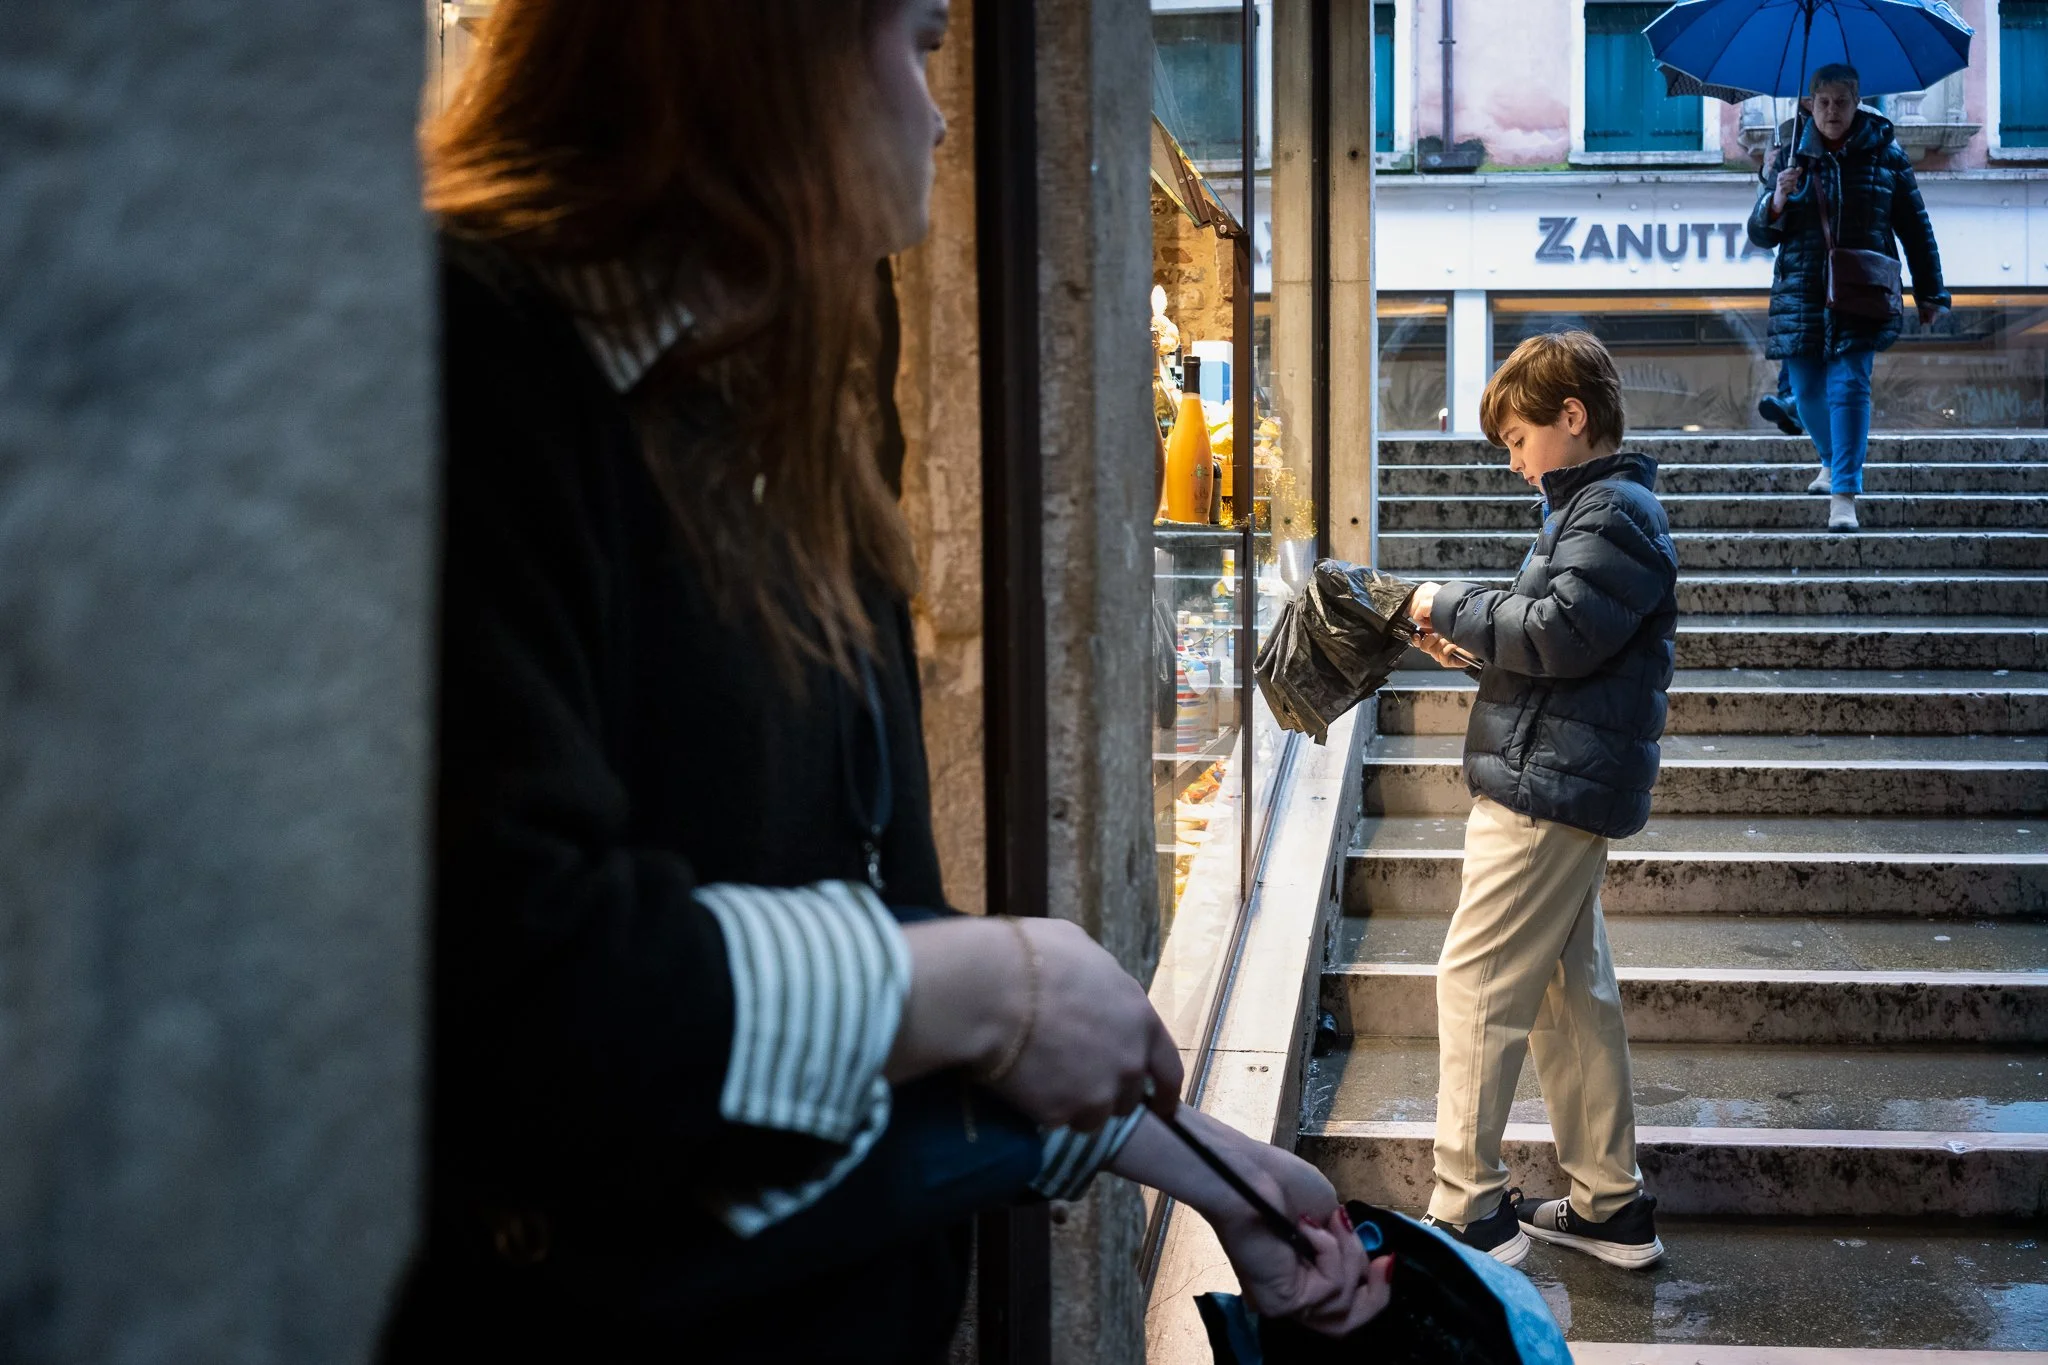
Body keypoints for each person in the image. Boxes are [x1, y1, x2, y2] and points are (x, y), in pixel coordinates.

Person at [377, 1, 1390, 1359]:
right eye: (916, 42)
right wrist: (999, 983)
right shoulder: (472, 360)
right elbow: (524, 989)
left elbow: (854, 926)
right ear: (764, 46)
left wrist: (1206, 1170)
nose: (942, 108)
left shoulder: (795, 377)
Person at [1406, 332, 1677, 1273]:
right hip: (1559, 771)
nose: (1515, 463)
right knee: (1572, 996)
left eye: (1518, 439)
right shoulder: (1599, 509)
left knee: (1475, 983)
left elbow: (1560, 632)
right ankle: (1610, 1203)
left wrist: (1441, 604)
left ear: (1573, 417)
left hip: (1545, 787)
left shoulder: (1611, 512)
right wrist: (1474, 641)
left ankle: (1469, 1208)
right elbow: (1557, 637)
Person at [1748, 64, 1949, 531]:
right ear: (1810, 104)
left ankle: (1844, 495)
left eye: (1842, 101)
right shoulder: (1787, 156)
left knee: (1849, 387)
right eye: (1823, 102)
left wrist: (1931, 291)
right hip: (1801, 290)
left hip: (1862, 288)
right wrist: (1775, 197)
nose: (1832, 110)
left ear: (1858, 102)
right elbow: (1761, 233)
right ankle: (1832, 458)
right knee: (1807, 390)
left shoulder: (1886, 154)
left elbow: (1916, 228)